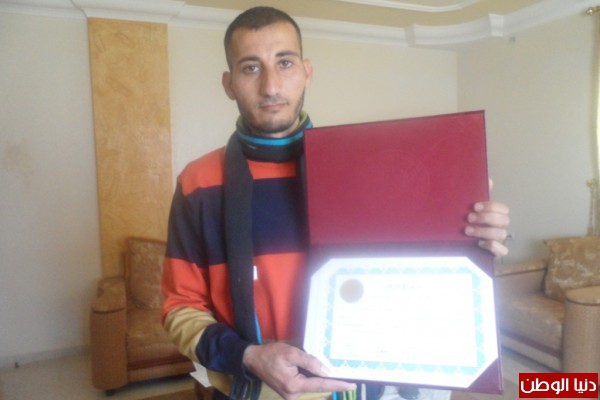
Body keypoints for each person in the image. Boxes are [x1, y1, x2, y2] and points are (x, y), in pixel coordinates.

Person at [161, 6, 510, 400]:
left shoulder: (360, 168)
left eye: (285, 63)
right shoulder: (198, 183)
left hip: (367, 387)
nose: (271, 86)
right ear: (229, 83)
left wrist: (470, 234)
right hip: (253, 391)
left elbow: (413, 265)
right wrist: (250, 357)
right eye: (251, 68)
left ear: (307, 72)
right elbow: (180, 307)